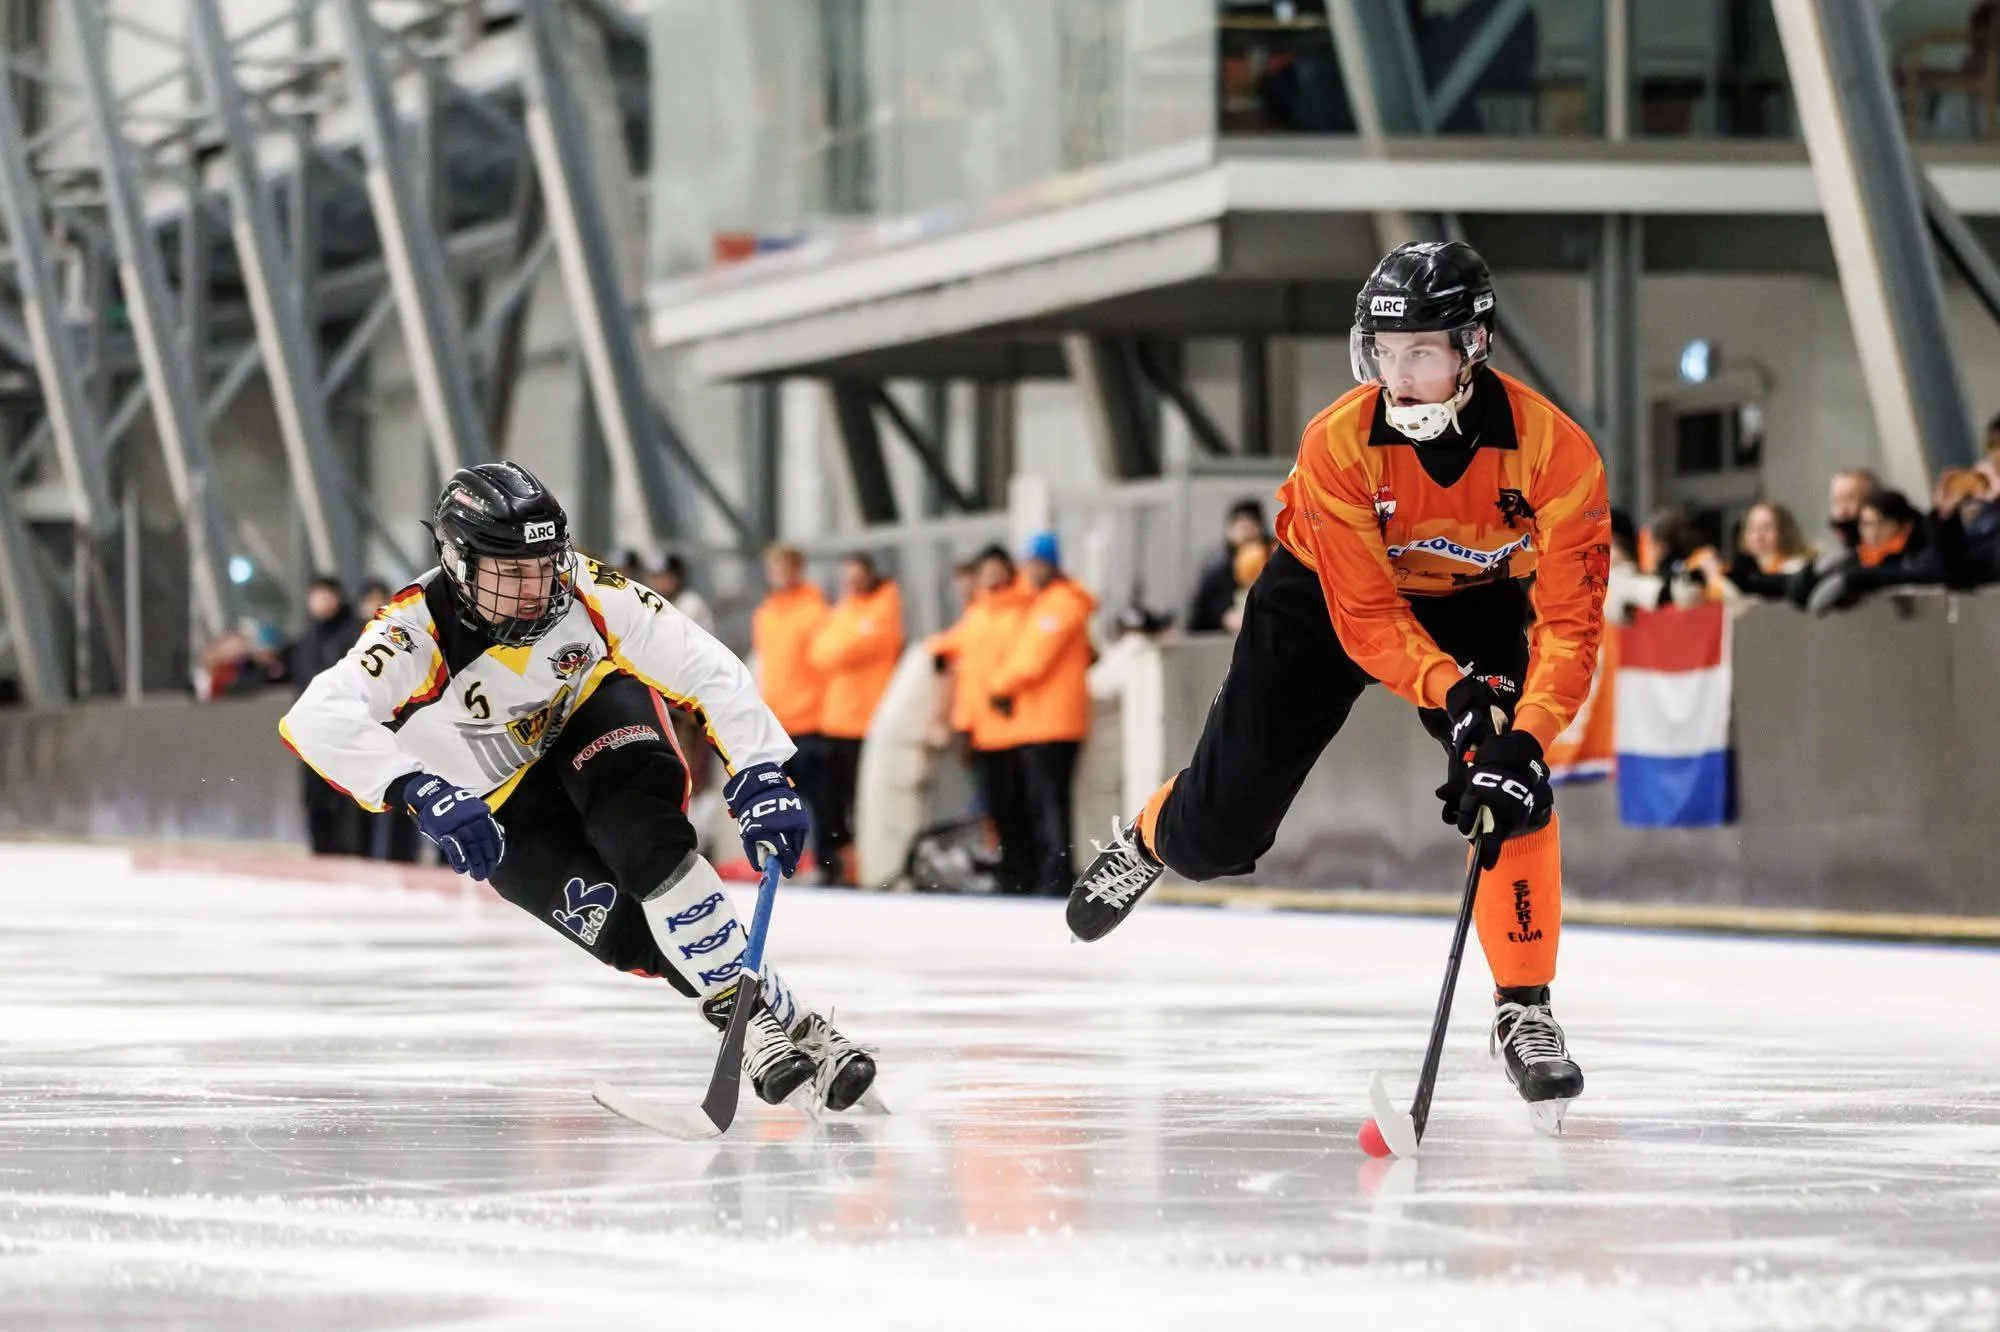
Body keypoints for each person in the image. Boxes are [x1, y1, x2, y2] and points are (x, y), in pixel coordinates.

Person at [1066, 240, 1608, 1131]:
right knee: (1220, 832)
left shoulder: (1555, 452)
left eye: (1423, 354)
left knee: (1511, 789)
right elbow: (1364, 619)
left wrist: (1520, 734)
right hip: (1322, 596)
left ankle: (1525, 1006)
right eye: (1384, 355)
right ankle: (1160, 834)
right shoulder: (1340, 443)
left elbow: (1572, 624)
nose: (1401, 377)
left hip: (1477, 602)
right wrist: (1454, 691)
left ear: (1474, 347)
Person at [279, 462, 875, 1112]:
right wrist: (417, 788)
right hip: (497, 797)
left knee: (647, 847)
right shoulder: (413, 630)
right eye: (511, 574)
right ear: (457, 563)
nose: (535, 591)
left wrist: (759, 769)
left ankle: (750, 1023)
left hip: (591, 715)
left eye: (544, 565)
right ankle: (790, 1021)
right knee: (623, 934)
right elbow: (317, 716)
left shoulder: (588, 590)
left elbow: (703, 665)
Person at [987, 533, 1097, 897]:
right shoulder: (1047, 603)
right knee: (1045, 802)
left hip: (1054, 722)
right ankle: (1050, 872)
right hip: (1041, 721)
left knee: (1050, 803)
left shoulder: (1059, 604)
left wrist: (999, 686)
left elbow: (1032, 660)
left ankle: (1056, 875)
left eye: (1035, 563)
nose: (1030, 571)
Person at [805, 553, 904, 885]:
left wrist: (840, 646)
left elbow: (842, 649)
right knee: (834, 803)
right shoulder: (845, 609)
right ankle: (842, 865)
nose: (852, 584)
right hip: (836, 721)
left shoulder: (883, 607)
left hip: (867, 722)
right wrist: (841, 646)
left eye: (857, 577)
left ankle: (870, 865)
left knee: (867, 802)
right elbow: (820, 653)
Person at [752, 545, 835, 880]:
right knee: (781, 800)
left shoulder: (816, 611)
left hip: (812, 720)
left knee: (822, 800)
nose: (779, 575)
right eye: (774, 568)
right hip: (779, 721)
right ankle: (788, 863)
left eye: (786, 567)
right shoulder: (766, 613)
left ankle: (830, 866)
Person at [286, 577, 366, 856]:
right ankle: (321, 853)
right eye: (315, 596)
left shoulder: (356, 634)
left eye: (326, 595)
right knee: (314, 797)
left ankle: (348, 853)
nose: (320, 602)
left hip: (348, 728)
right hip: (311, 730)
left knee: (346, 796)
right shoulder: (306, 640)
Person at [1186, 500, 1269, 634]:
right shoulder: (1217, 575)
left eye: (1250, 527)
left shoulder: (1272, 572)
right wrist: (1225, 617)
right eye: (1241, 527)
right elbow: (1201, 618)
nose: (1245, 534)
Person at [1726, 502, 1813, 601]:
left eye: (1767, 528)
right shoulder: (1743, 572)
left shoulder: (1796, 568)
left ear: (1784, 533)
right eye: (1752, 529)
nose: (1758, 537)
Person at [646, 553, 716, 635]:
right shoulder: (654, 603)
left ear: (678, 578)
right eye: (655, 577)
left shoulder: (691, 603)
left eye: (665, 577)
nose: (659, 583)